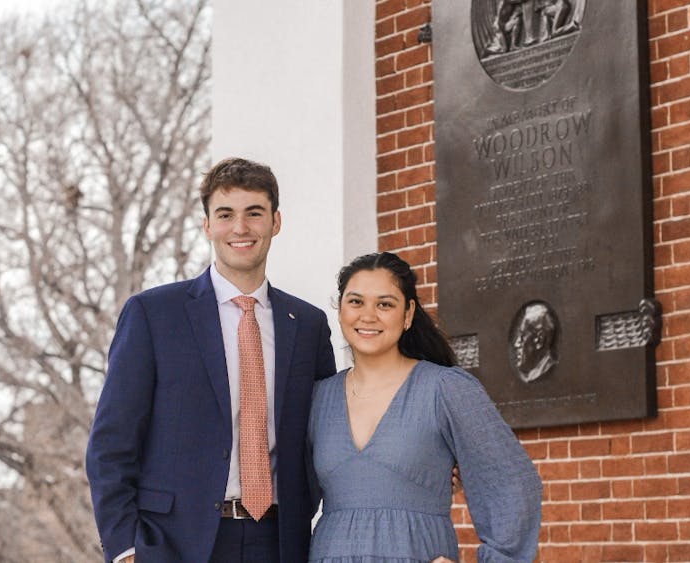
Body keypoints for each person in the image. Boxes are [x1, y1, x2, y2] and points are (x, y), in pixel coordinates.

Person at [86, 157, 336, 562]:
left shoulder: (307, 325)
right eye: (226, 215)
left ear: (275, 222)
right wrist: (125, 548)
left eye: (254, 213)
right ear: (207, 226)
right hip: (173, 544)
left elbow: (330, 431)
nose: (240, 228)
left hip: (280, 541)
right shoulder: (153, 314)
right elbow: (111, 444)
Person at [307, 252, 541, 562]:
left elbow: (512, 484)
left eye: (385, 304)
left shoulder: (445, 388)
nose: (368, 315)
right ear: (340, 311)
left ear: (407, 315)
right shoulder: (317, 398)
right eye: (356, 302)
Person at [509, 301, 558, 383]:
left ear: (539, 340)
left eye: (522, 336)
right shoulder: (528, 375)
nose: (516, 344)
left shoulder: (548, 370)